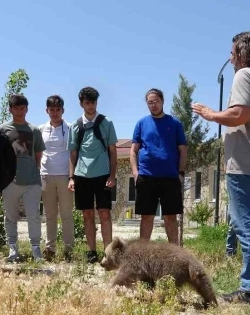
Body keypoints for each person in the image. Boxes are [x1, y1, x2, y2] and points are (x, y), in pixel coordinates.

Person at [192, 31, 250, 305]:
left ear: (243, 53)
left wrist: (210, 115)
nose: (230, 58)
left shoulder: (245, 75)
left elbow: (239, 114)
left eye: (233, 52)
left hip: (245, 165)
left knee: (248, 228)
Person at [67, 86, 118, 264]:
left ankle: (108, 253)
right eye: (87, 102)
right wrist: (71, 178)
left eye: (93, 102)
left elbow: (113, 151)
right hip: (81, 175)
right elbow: (72, 154)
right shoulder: (75, 126)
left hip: (103, 174)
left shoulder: (107, 123)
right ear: (81, 103)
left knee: (105, 214)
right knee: (87, 215)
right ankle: (91, 252)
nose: (91, 106)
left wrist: (112, 175)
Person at [130, 88, 187, 244]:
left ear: (162, 101)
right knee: (147, 216)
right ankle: (143, 254)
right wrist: (136, 173)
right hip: (147, 177)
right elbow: (133, 151)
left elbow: (183, 150)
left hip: (170, 178)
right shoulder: (141, 123)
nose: (153, 105)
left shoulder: (175, 123)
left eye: (156, 101)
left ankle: (175, 255)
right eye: (150, 102)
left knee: (170, 217)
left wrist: (181, 173)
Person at [0, 94, 45, 262]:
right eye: (16, 108)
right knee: (11, 216)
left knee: (33, 215)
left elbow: (38, 155)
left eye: (22, 108)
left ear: (27, 109)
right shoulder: (2, 129)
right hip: (9, 180)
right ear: (10, 109)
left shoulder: (34, 130)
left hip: (32, 181)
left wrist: (31, 169)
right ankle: (12, 248)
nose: (20, 111)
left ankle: (36, 249)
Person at [39, 95, 74, 262]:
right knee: (50, 215)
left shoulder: (70, 128)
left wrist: (72, 177)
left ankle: (69, 250)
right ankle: (50, 249)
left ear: (63, 110)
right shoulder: (40, 129)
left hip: (65, 177)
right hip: (46, 176)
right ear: (47, 111)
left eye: (57, 110)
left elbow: (74, 153)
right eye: (51, 110)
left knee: (66, 215)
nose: (54, 113)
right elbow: (37, 153)